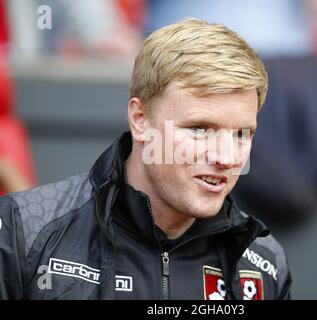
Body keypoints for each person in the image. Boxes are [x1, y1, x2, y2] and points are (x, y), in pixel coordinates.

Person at [0, 18, 291, 300]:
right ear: (140, 120)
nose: (226, 157)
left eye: (241, 134)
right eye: (200, 129)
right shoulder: (24, 229)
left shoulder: (263, 262)